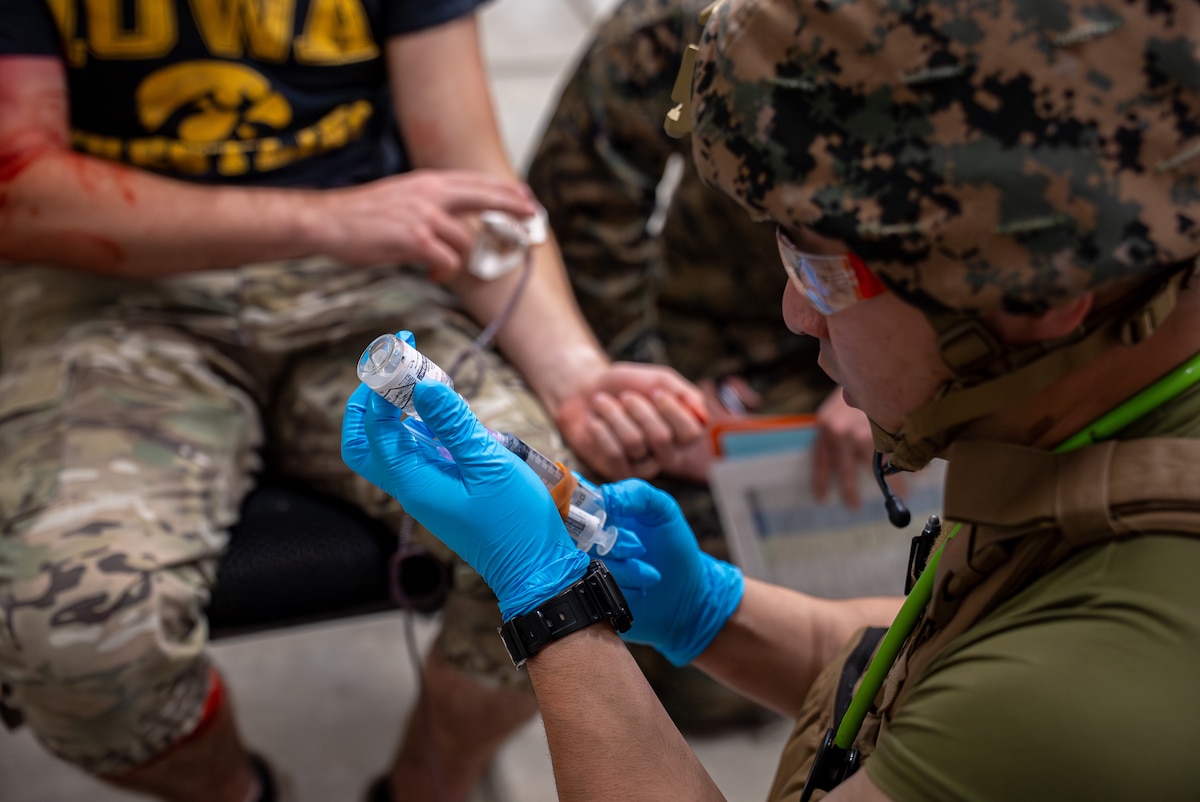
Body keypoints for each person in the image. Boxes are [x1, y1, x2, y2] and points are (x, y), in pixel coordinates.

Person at [342, 0, 1200, 799]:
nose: (795, 311)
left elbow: (989, 704)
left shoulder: (1090, 692)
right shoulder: (1092, 419)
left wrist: (552, 605)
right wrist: (710, 610)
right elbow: (922, 660)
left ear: (1035, 290)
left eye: (820, 270)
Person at [0, 2, 711, 801]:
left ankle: (426, 785)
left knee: (575, 540)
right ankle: (236, 790)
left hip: (366, 281)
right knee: (77, 645)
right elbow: (20, 189)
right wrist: (328, 216)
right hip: (107, 289)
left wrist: (575, 373)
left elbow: (472, 178)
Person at [526, 0, 878, 731]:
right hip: (713, 334)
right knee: (690, 664)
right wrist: (654, 388)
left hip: (929, 337)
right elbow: (579, 215)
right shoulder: (688, 26)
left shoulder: (1016, 42)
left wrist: (904, 376)